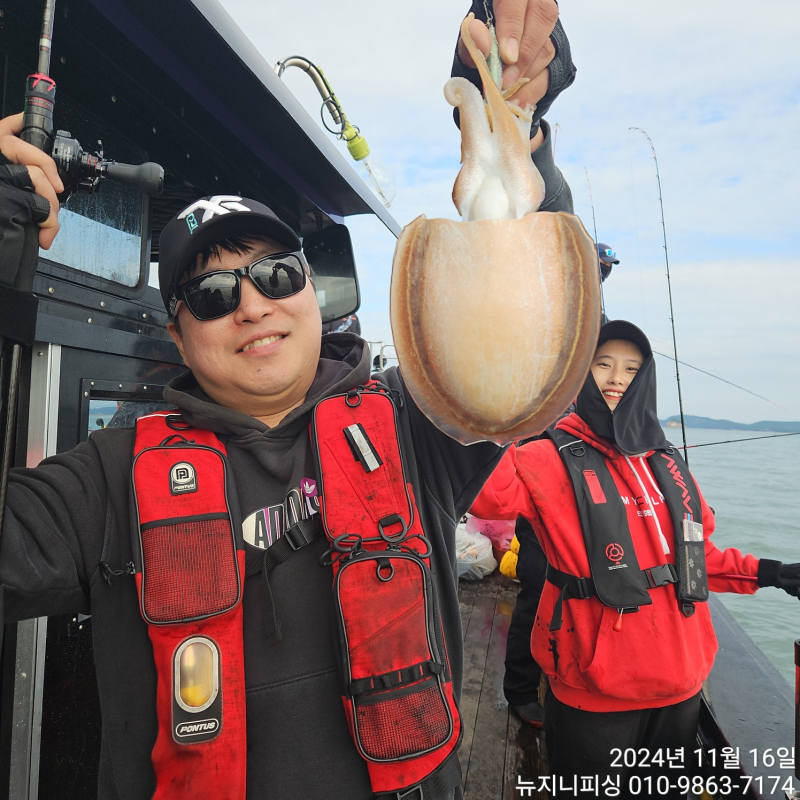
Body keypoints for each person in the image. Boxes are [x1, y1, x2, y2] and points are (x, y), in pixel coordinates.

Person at [0, 2, 579, 797]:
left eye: (276, 275)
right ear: (177, 334)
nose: (252, 305)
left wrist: (517, 117)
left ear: (313, 293)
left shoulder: (422, 426)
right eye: (209, 292)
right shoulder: (104, 480)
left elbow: (527, 332)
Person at [470, 319, 800, 796]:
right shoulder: (543, 456)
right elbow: (487, 497)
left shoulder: (668, 461)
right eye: (601, 364)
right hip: (593, 690)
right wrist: (492, 405)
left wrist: (773, 573)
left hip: (681, 686)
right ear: (579, 375)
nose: (616, 378)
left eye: (631, 368)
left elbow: (696, 558)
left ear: (645, 379)